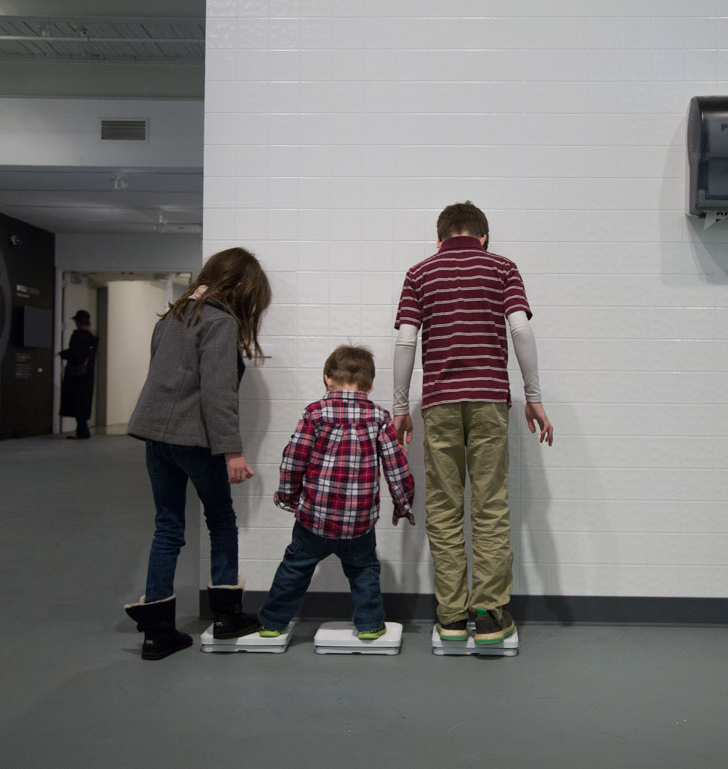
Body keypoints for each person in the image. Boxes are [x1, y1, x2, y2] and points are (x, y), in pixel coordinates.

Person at [393, 201, 554, 645]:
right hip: (489, 401)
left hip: (439, 404)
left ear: (440, 237)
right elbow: (520, 331)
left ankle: (449, 616)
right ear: (483, 235)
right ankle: (488, 615)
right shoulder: (503, 268)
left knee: (444, 509)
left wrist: (400, 407)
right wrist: (534, 397)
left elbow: (407, 340)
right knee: (490, 506)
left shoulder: (419, 273)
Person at [124, 247, 272, 660]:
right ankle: (227, 617)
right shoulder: (220, 322)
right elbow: (218, 393)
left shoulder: (172, 316)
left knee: (167, 528)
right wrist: (232, 452)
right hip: (196, 440)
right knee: (221, 520)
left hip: (156, 438)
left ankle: (156, 634)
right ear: (239, 285)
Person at [257, 346, 415, 640]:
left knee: (294, 569)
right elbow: (396, 465)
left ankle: (272, 623)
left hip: (314, 518)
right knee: (364, 570)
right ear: (370, 385)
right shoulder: (379, 417)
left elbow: (294, 459)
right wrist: (402, 502)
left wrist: (288, 496)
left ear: (327, 378)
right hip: (359, 522)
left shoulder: (314, 413)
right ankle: (369, 625)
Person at [58, 309, 98, 439]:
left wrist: (63, 354)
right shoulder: (93, 337)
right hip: (87, 375)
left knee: (76, 402)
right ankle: (82, 430)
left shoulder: (79, 335)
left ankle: (82, 430)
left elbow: (76, 354)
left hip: (77, 376)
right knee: (83, 402)